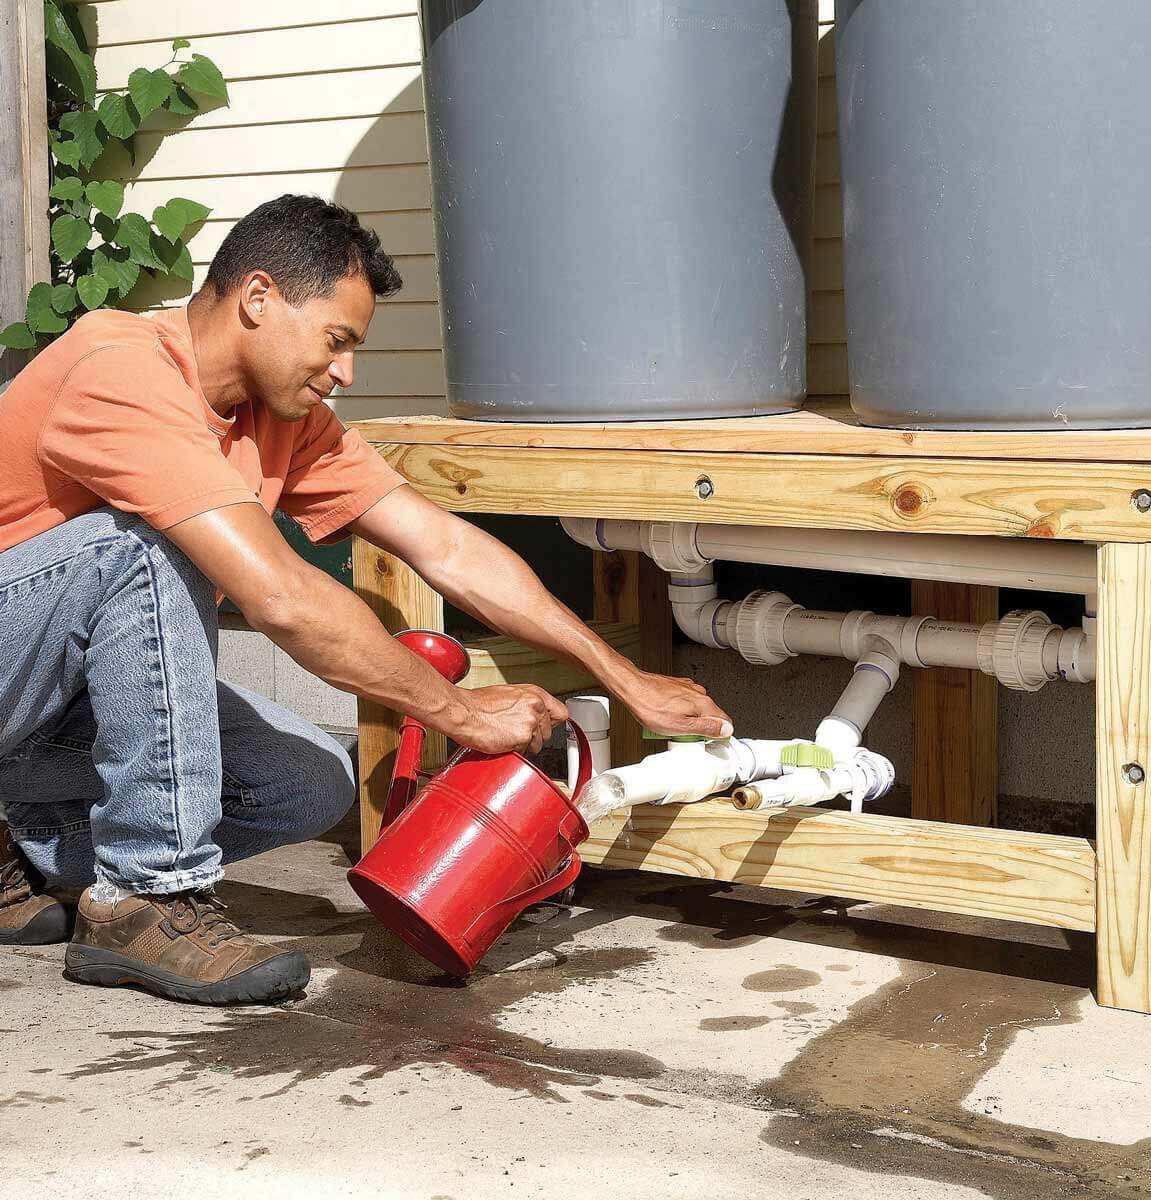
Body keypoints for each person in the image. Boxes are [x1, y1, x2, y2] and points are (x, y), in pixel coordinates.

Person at [0, 195, 731, 1005]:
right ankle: (149, 897)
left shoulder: (283, 417)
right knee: (140, 543)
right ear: (258, 298)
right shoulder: (120, 369)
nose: (345, 371)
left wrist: (622, 676)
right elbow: (279, 596)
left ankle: (21, 843)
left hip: (47, 704)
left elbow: (444, 546)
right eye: (336, 341)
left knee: (305, 782)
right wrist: (460, 711)